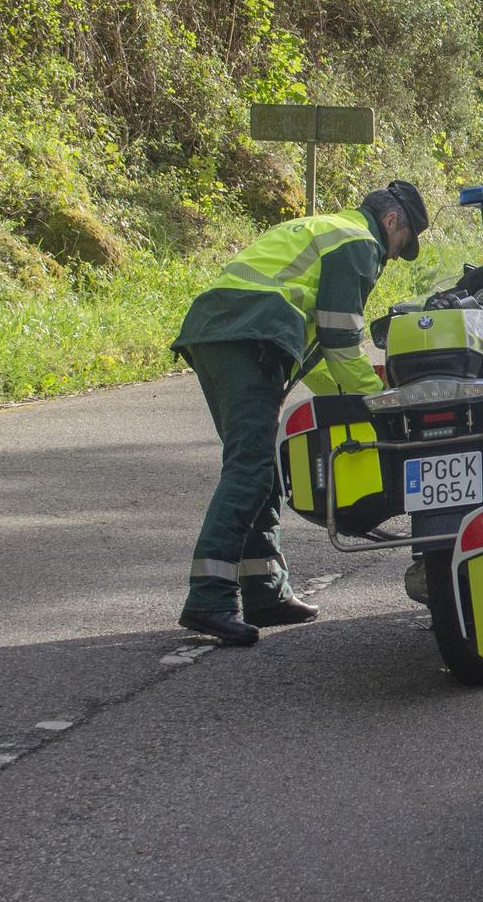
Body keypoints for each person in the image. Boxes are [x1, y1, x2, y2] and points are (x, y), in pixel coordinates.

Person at [171, 180, 429, 646]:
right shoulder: (359, 245)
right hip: (248, 338)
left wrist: (350, 400)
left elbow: (323, 358)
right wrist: (383, 407)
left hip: (217, 333)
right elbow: (343, 345)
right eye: (400, 246)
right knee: (248, 470)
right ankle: (209, 599)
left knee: (259, 471)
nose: (392, 257)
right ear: (392, 222)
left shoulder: (328, 228)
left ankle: (265, 591)